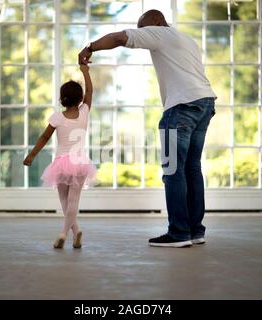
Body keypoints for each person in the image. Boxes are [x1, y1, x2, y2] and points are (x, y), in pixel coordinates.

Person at [78, 10, 217, 248]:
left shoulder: (159, 32)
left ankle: (179, 233)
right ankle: (195, 230)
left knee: (173, 171)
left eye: (144, 29)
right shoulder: (186, 40)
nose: (143, 34)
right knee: (192, 168)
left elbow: (120, 38)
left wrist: (90, 48)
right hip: (205, 103)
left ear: (157, 22)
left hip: (182, 107)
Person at [23, 64, 96, 249]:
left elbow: (44, 137)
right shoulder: (84, 112)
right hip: (80, 162)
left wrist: (32, 155)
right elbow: (90, 91)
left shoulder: (57, 117)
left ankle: (65, 232)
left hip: (61, 163)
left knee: (64, 200)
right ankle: (74, 230)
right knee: (74, 201)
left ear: (62, 99)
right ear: (80, 98)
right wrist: (85, 70)